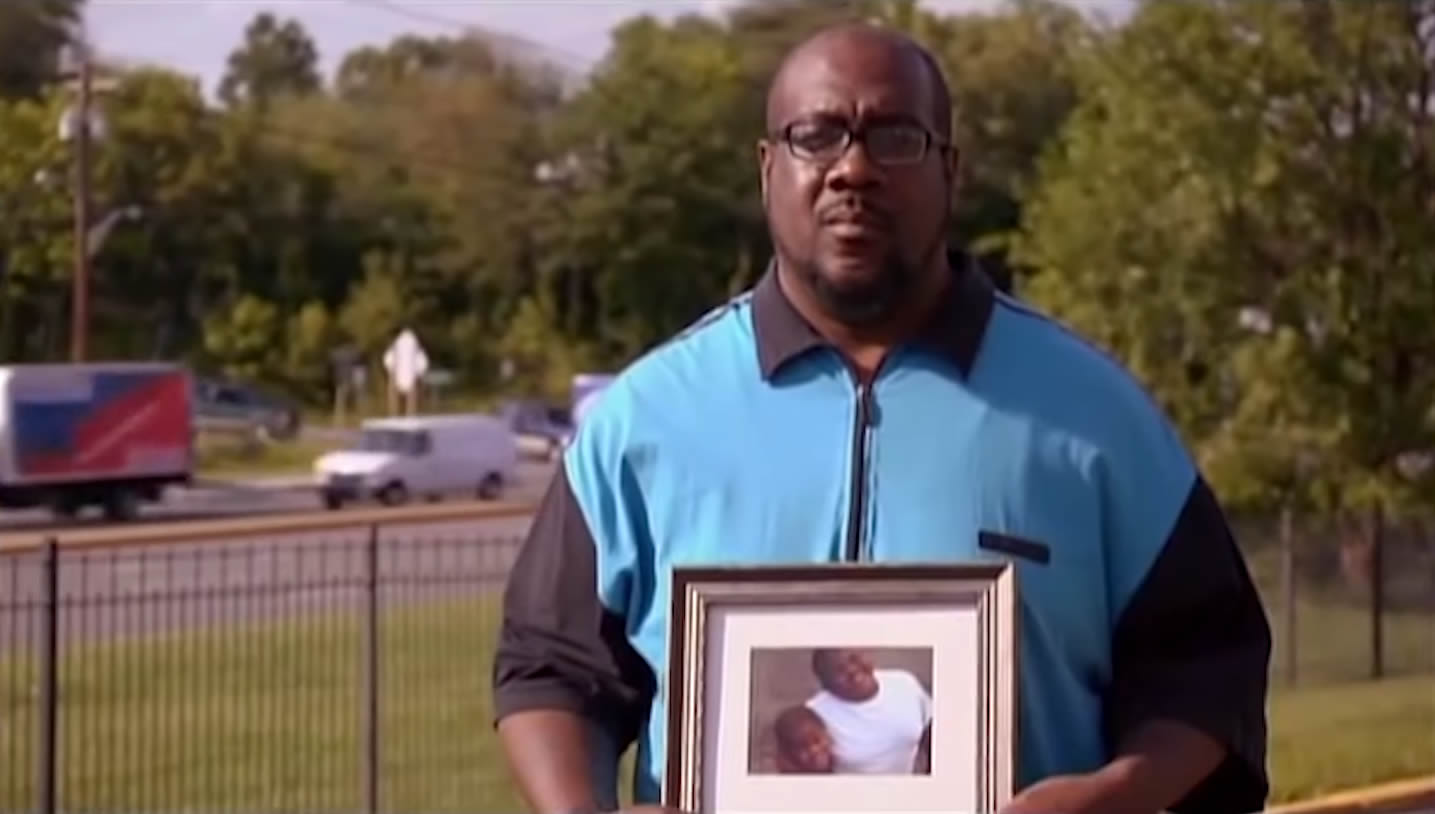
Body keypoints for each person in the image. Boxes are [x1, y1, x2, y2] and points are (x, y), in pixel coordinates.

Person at [492, 20, 1271, 814]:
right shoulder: (646, 417)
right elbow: (550, 665)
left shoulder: (1096, 416)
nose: (852, 169)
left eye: (894, 137)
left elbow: (1209, 661)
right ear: (768, 169)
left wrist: (1122, 792)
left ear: (950, 171)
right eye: (816, 136)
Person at [803, 648, 933, 775]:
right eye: (839, 670)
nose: (851, 670)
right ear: (826, 685)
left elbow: (929, 727)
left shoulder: (904, 683)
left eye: (854, 659)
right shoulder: (813, 714)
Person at [771, 704, 835, 774]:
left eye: (817, 740)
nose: (814, 750)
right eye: (803, 747)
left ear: (827, 734)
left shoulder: (840, 760)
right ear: (790, 754)